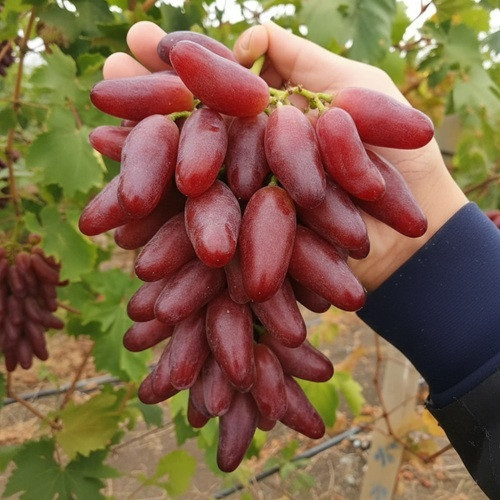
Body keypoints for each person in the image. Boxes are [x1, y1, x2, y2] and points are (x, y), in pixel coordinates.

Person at [103, 21, 500, 497]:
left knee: (250, 254)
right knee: (232, 247)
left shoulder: (301, 134)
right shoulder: (228, 137)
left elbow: (318, 187)